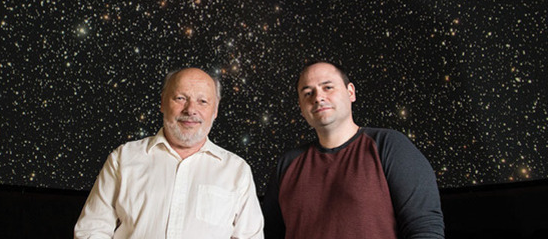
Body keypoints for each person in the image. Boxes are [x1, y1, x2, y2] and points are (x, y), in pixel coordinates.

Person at [75, 67, 264, 239]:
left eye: (203, 101)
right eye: (180, 98)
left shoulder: (237, 171)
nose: (191, 110)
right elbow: (91, 231)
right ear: (163, 102)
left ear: (215, 110)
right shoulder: (123, 159)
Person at [262, 61, 444, 239]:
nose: (318, 97)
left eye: (328, 87)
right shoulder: (286, 165)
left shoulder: (389, 146)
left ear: (351, 92)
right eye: (308, 93)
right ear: (301, 107)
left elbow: (424, 228)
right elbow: (267, 233)